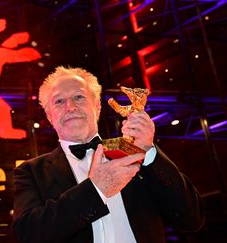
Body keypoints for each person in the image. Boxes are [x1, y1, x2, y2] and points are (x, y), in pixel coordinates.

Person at [11, 66, 204, 243]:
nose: (70, 107)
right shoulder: (30, 172)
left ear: (97, 107)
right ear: (49, 116)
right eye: (59, 101)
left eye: (79, 97)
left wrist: (148, 152)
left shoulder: (130, 153)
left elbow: (192, 219)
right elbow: (29, 235)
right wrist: (97, 188)